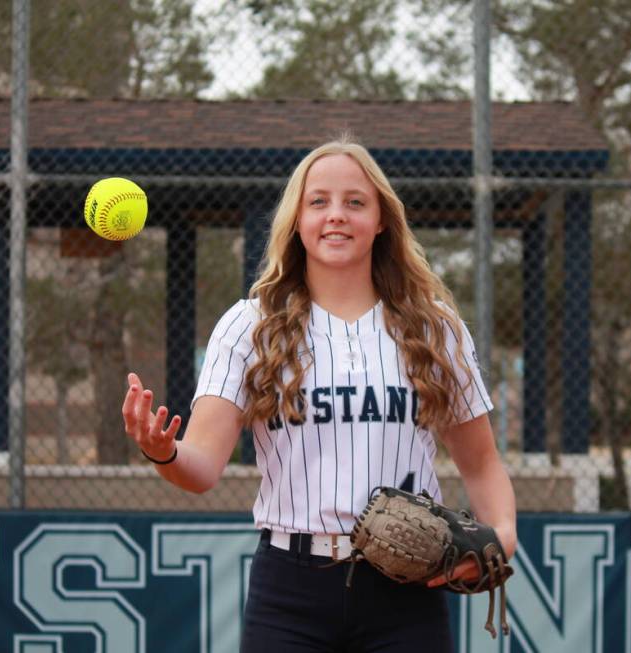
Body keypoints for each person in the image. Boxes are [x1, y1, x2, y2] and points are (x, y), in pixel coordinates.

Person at [121, 136, 517, 651]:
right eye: (318, 202)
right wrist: (163, 451)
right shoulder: (249, 326)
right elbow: (200, 470)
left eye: (355, 202)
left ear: (380, 222)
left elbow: (482, 464)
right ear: (298, 222)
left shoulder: (435, 328)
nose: (336, 215)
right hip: (290, 587)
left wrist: (501, 538)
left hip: (406, 588)